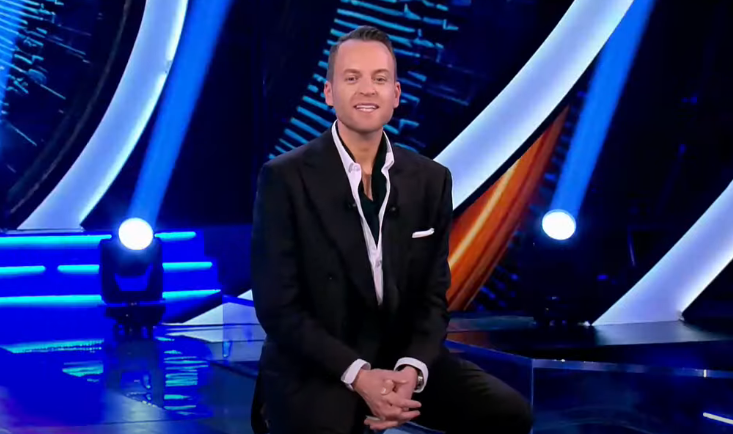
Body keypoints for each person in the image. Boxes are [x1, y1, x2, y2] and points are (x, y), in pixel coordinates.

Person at [251, 25, 532, 434]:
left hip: (401, 358)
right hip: (320, 362)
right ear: (328, 93)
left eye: (380, 79)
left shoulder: (431, 180)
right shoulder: (285, 178)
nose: (367, 89)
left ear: (396, 94)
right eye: (352, 78)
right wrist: (360, 375)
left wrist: (411, 371)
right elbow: (279, 308)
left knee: (506, 412)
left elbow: (432, 298)